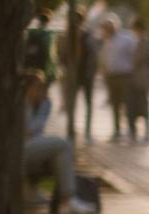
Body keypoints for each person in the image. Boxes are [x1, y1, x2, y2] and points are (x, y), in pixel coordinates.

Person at [23, 71, 98, 214]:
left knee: (59, 153)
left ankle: (36, 193)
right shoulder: (21, 104)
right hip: (18, 149)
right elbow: (27, 130)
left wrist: (44, 106)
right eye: (37, 87)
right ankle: (68, 200)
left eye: (42, 87)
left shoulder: (44, 104)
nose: (41, 91)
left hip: (30, 145)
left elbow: (33, 130)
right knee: (62, 145)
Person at [58, 7, 99, 142]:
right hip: (73, 74)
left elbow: (93, 55)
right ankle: (71, 129)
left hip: (86, 74)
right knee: (71, 103)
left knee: (88, 103)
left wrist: (91, 72)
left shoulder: (88, 34)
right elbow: (61, 54)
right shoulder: (66, 35)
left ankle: (87, 132)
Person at [99, 16, 137, 142]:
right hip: (112, 76)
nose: (107, 30)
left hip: (124, 75)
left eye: (109, 27)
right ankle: (117, 130)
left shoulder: (126, 39)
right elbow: (104, 59)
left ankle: (132, 129)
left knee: (127, 103)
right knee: (115, 104)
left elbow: (134, 55)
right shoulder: (106, 40)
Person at [126, 17, 149, 143]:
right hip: (132, 78)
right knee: (131, 105)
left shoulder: (145, 42)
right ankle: (132, 130)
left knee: (143, 105)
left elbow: (139, 59)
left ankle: (146, 131)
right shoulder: (132, 41)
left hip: (142, 78)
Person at [25, 9, 56, 87]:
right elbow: (50, 53)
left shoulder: (31, 32)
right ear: (48, 21)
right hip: (42, 64)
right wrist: (52, 70)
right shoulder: (48, 34)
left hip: (30, 64)